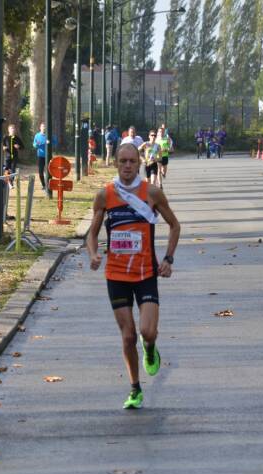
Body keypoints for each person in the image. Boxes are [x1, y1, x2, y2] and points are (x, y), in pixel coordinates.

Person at [86, 143, 181, 410]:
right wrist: (93, 254)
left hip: (145, 273)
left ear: (139, 163)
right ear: (116, 163)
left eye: (131, 161)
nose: (127, 166)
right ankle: (135, 389)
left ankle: (150, 348)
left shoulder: (151, 193)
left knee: (147, 331)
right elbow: (91, 234)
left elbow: (175, 226)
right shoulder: (105, 195)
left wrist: (168, 259)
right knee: (127, 336)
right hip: (116, 275)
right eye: (122, 161)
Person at [33, 123, 51, 198]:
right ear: (40, 128)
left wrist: (49, 143)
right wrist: (37, 144)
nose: (44, 128)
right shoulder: (37, 136)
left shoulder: (48, 135)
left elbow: (55, 143)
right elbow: (34, 144)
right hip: (40, 156)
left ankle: (49, 185)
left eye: (45, 127)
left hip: (48, 156)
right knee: (40, 171)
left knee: (49, 171)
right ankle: (43, 185)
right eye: (42, 127)